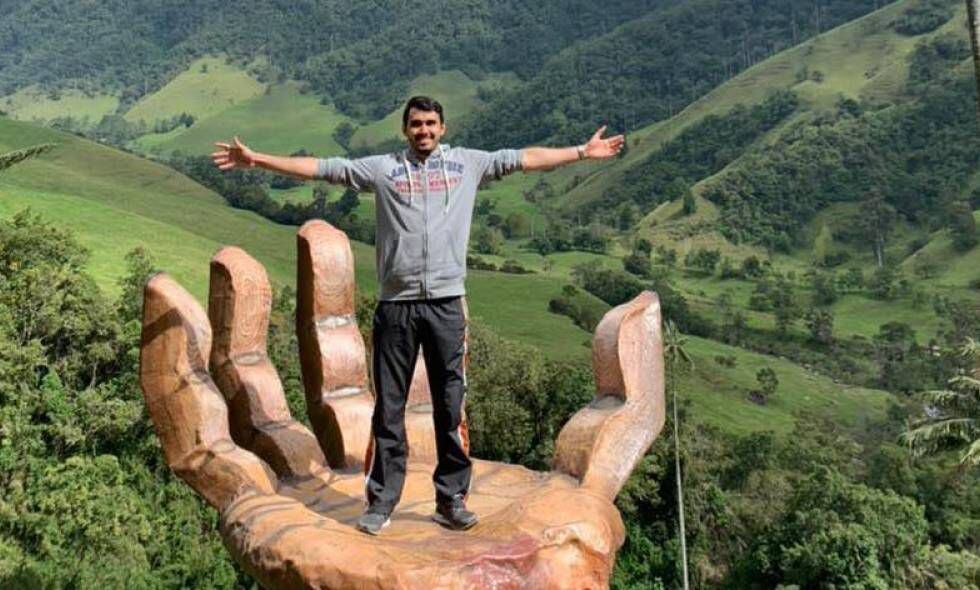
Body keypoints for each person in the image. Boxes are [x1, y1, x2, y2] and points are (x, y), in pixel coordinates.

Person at [211, 96, 624, 535]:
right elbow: (323, 167)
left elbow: (525, 159)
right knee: (388, 408)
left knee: (450, 407)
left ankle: (451, 501)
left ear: (442, 128)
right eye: (415, 124)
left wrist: (581, 152)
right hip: (396, 308)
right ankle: (381, 503)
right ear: (405, 129)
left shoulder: (469, 164)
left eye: (430, 124)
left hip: (447, 306)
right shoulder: (383, 169)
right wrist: (258, 160)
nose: (423, 131)